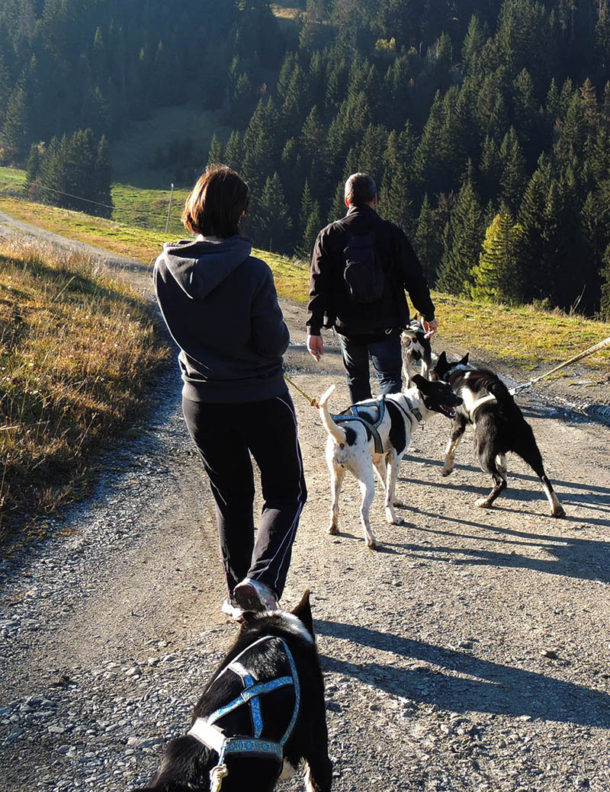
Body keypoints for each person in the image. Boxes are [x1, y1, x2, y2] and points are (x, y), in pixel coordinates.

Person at [154, 164, 306, 619]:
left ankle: (239, 597)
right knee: (286, 492)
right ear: (239, 213)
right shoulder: (254, 272)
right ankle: (259, 582)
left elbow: (180, 331)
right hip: (260, 396)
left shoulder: (165, 267)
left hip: (201, 400)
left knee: (232, 499)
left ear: (195, 208)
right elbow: (273, 341)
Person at [306, 172, 438, 403]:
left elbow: (318, 285)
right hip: (385, 325)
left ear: (347, 201)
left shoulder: (329, 235)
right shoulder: (392, 234)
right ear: (375, 199)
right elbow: (414, 277)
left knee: (357, 380)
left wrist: (313, 329)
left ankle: (364, 431)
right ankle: (388, 432)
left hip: (348, 326)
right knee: (389, 379)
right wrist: (427, 313)